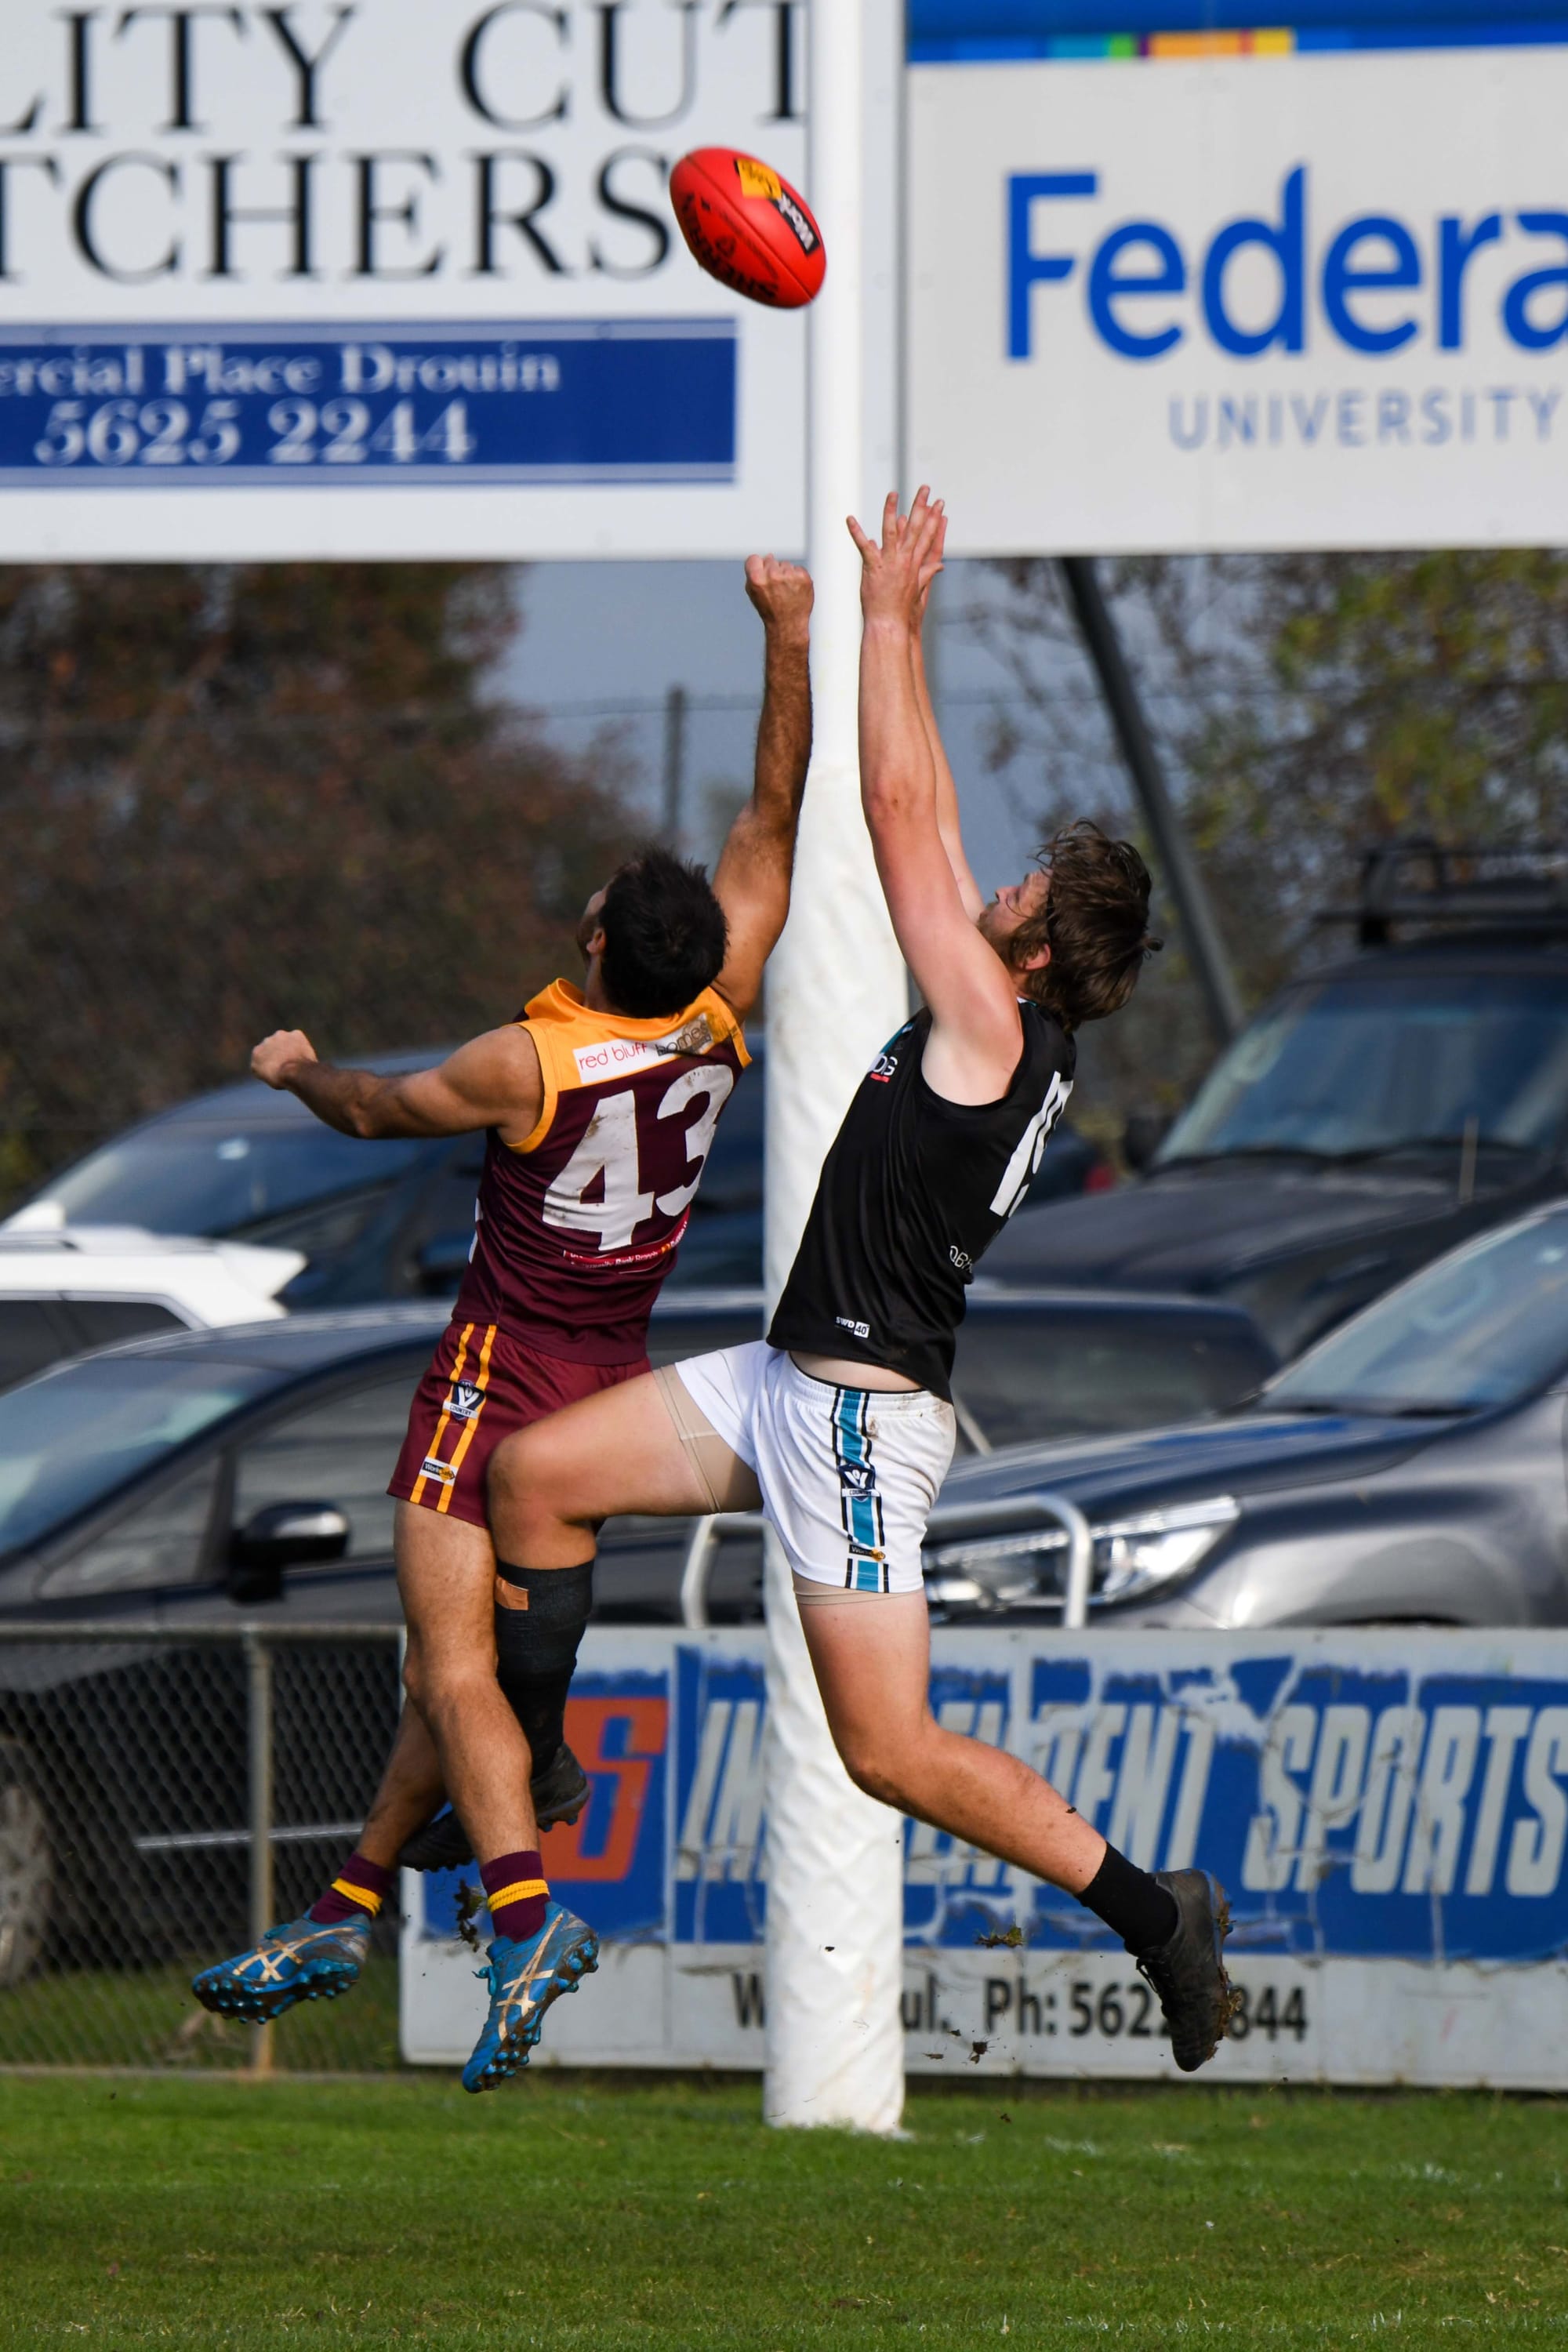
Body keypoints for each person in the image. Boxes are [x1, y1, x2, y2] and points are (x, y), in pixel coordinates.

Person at [464, 487, 1235, 2095]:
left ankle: (1159, 1916)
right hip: (786, 1378)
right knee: (532, 1479)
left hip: (856, 1425)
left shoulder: (995, 1026)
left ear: (1036, 954)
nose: (998, 884)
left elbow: (892, 814)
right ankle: (534, 1767)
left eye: (1025, 891)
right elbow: (931, 814)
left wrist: (881, 619)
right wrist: (910, 628)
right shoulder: (999, 1008)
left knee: (887, 1754)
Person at [192, 554, 815, 2034]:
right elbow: (771, 818)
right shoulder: (721, 1017)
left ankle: (526, 1922)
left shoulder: (529, 1063)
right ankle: (347, 1907)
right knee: (469, 1677)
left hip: (495, 1373)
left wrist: (294, 1069)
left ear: (597, 946)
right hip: (608, 1383)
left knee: (451, 1667)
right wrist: (790, 635)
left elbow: (373, 1113)